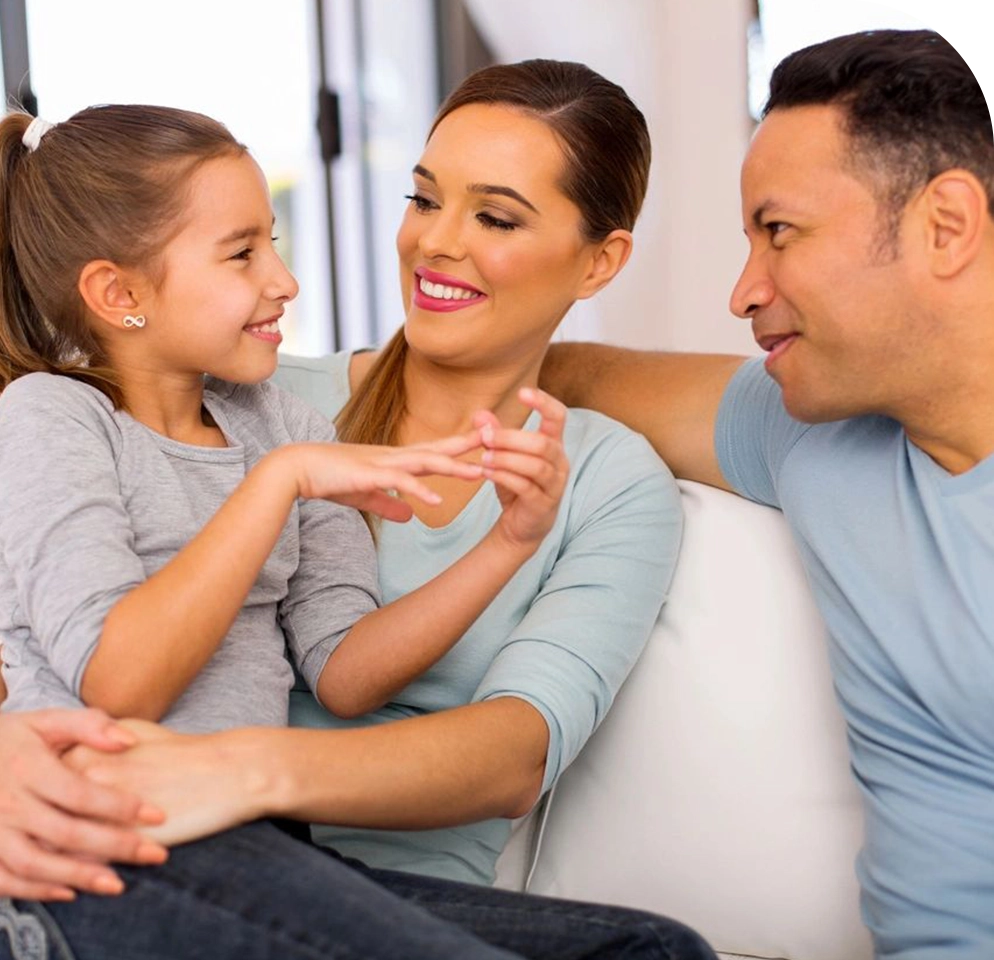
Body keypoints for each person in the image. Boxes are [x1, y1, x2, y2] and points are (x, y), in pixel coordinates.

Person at [0, 63, 710, 960]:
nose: (436, 243)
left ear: (600, 259)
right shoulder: (126, 414)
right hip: (128, 837)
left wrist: (509, 540)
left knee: (657, 950)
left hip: (284, 855)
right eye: (424, 199)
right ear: (120, 293)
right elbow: (101, 671)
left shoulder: (281, 422)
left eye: (493, 216)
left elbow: (347, 672)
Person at [542, 29, 994, 960]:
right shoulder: (819, 434)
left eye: (779, 231)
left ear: (945, 227)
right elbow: (571, 375)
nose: (743, 291)